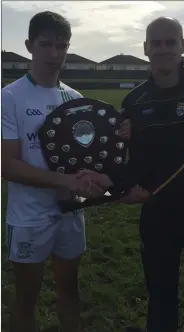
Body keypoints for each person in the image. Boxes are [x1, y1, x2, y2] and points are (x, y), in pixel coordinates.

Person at [80, 16, 184, 332]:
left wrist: (150, 191)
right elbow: (136, 161)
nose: (164, 49)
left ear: (183, 46)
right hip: (157, 217)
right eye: (157, 43)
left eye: (171, 42)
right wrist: (109, 182)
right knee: (161, 301)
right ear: (146, 48)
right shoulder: (134, 100)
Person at [2, 11, 105, 332]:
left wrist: (93, 179)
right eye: (45, 45)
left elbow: (84, 158)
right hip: (29, 217)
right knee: (25, 300)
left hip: (71, 214)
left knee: (69, 291)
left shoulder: (74, 98)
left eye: (61, 46)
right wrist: (64, 180)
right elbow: (7, 165)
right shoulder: (9, 97)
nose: (53, 54)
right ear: (29, 45)